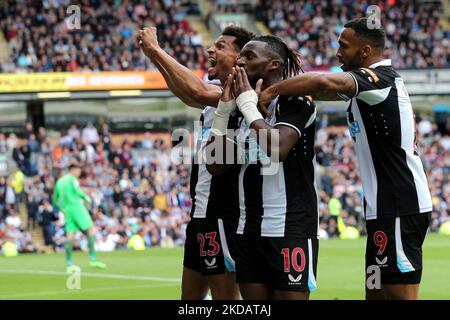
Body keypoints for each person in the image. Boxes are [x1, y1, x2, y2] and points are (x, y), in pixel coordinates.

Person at [259, 18, 432, 300]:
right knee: (375, 292)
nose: (337, 52)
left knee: (399, 296)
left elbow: (324, 80)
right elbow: (321, 89)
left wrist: (271, 91)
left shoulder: (380, 78)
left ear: (365, 51)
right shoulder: (365, 89)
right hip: (382, 210)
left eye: (343, 46)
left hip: (399, 205)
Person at [139, 25, 255, 300]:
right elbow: (186, 91)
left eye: (221, 45)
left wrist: (156, 49)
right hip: (200, 211)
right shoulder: (215, 92)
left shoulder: (241, 95)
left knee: (225, 300)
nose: (210, 50)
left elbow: (195, 91)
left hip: (222, 213)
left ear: (241, 57)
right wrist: (153, 56)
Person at [207, 35, 319, 300]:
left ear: (273, 65)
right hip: (248, 228)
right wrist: (224, 112)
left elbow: (277, 148)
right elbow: (215, 165)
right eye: (241, 55)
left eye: (249, 56)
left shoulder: (296, 102)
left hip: (289, 226)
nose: (240, 61)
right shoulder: (239, 110)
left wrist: (248, 106)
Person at [52, 163, 107, 272]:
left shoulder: (59, 182)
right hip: (77, 207)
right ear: (72, 170)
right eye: (78, 170)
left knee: (70, 235)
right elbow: (77, 191)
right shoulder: (72, 179)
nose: (79, 173)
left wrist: (62, 209)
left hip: (68, 210)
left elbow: (54, 199)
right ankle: (93, 259)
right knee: (90, 230)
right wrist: (86, 197)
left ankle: (69, 264)